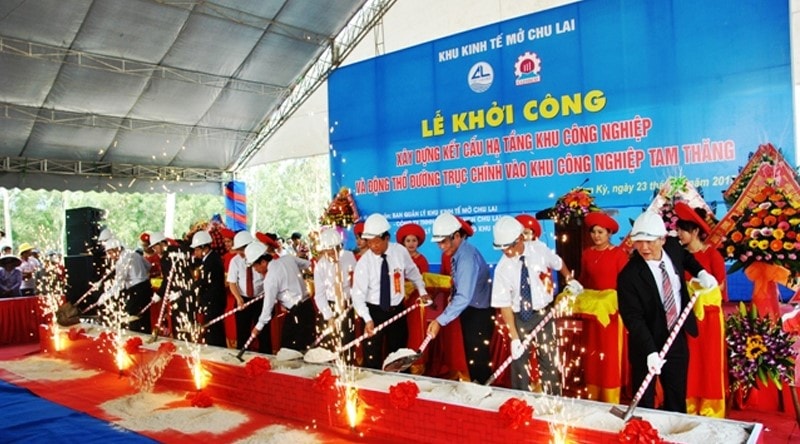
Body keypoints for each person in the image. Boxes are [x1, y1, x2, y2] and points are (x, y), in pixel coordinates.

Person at [617, 210, 717, 413]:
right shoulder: (628, 276)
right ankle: (641, 431)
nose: (644, 247)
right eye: (639, 241)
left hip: (676, 333)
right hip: (647, 340)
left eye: (649, 241)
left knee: (676, 392)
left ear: (662, 239)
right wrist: (650, 351)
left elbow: (687, 258)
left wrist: (701, 272)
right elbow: (633, 318)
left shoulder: (673, 247)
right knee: (644, 398)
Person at [490, 216, 582, 393]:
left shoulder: (539, 250)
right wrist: (515, 337)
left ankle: (554, 399)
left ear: (521, 238)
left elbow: (558, 263)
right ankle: (521, 400)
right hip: (519, 318)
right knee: (519, 361)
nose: (506, 252)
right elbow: (505, 306)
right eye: (502, 249)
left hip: (544, 313)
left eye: (509, 247)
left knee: (549, 358)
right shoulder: (502, 268)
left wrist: (570, 280)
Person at [351, 213, 429, 370]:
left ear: (386, 238)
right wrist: (367, 319)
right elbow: (357, 296)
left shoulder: (400, 251)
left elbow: (413, 272)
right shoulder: (364, 262)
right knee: (372, 355)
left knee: (398, 355)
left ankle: (398, 387)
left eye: (376, 242)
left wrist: (422, 290)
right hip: (374, 312)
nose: (373, 246)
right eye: (369, 242)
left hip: (397, 310)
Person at [674, 202, 728, 418]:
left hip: (709, 317)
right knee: (691, 362)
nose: (678, 233)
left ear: (695, 231)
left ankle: (710, 407)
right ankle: (689, 404)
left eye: (681, 230)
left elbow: (721, 286)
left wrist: (698, 290)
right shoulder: (680, 255)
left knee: (709, 361)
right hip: (687, 316)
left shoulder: (712, 255)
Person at [427, 212, 494, 384]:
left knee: (478, 355)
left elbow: (464, 296)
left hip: (478, 312)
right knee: (472, 354)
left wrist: (440, 321)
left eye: (443, 241)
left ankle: (483, 392)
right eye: (438, 243)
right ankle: (478, 387)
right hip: (470, 309)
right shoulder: (458, 253)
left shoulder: (466, 258)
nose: (441, 247)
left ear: (456, 236)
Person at [575, 211, 630, 403]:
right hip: (592, 314)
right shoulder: (587, 254)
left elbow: (626, 286)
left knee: (609, 356)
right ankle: (593, 393)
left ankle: (610, 394)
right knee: (592, 355)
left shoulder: (618, 255)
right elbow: (584, 280)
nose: (596, 236)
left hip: (611, 315)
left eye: (600, 232)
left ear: (609, 234)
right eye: (593, 232)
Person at [248, 241, 316, 351]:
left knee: (288, 351)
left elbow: (268, 307)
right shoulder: (288, 258)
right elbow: (308, 264)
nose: (255, 270)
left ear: (263, 262)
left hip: (296, 313)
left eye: (255, 266)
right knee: (308, 346)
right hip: (308, 307)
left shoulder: (270, 278)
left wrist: (258, 327)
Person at [313, 226, 358, 362]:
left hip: (348, 304)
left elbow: (356, 282)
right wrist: (329, 316)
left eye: (336, 251)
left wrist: (352, 299)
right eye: (329, 253)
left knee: (347, 340)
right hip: (329, 305)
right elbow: (319, 294)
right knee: (330, 343)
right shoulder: (320, 266)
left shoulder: (349, 257)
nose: (333, 255)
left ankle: (348, 367)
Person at [227, 231, 270, 353]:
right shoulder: (235, 261)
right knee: (242, 332)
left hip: (261, 299)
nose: (239, 253)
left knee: (263, 333)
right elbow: (232, 282)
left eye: (241, 249)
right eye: (238, 249)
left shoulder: (262, 259)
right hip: (243, 300)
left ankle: (265, 357)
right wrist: (238, 298)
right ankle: (242, 356)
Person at [102, 238, 154, 334]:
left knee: (134, 319)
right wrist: (141, 274)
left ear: (117, 249)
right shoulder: (134, 253)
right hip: (146, 286)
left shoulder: (121, 261)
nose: (109, 256)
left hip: (136, 291)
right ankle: (147, 338)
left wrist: (104, 297)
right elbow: (148, 266)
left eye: (110, 252)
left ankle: (137, 340)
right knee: (145, 318)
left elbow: (118, 285)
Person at [190, 230, 227, 347]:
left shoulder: (212, 261)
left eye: (196, 249)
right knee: (212, 330)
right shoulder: (208, 259)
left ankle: (217, 351)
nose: (195, 253)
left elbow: (205, 282)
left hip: (214, 301)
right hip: (211, 300)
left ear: (204, 248)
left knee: (214, 331)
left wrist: (189, 288)